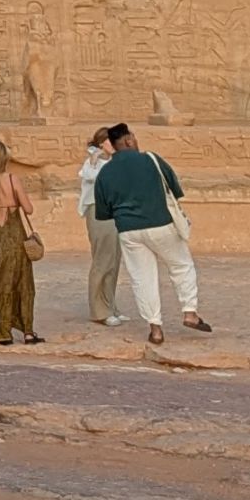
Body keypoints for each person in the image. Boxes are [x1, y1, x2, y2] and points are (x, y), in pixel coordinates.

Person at [95, 123, 212, 347]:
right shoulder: (150, 159)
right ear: (128, 140)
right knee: (181, 265)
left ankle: (155, 329)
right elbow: (175, 189)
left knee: (142, 278)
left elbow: (103, 212)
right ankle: (189, 312)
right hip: (160, 223)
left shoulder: (105, 172)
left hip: (128, 230)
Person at [0, 139, 43, 347]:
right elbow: (29, 209)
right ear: (4, 159)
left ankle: (0, 332)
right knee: (22, 282)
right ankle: (27, 332)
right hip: (14, 235)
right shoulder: (12, 179)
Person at [79, 129, 126, 326]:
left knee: (113, 261)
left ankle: (110, 306)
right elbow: (90, 176)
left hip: (115, 212)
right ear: (100, 144)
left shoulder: (116, 162)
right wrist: (94, 158)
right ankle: (99, 311)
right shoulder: (93, 163)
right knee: (102, 260)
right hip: (99, 211)